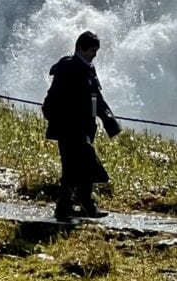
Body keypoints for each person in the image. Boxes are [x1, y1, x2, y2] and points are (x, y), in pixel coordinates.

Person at [42, 30, 122, 221]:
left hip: (85, 127)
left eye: (95, 51)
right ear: (80, 48)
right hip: (69, 128)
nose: (94, 55)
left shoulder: (88, 68)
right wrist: (60, 122)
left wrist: (109, 121)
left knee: (82, 168)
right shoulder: (68, 67)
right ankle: (68, 208)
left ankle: (81, 206)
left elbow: (96, 98)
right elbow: (54, 98)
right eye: (91, 51)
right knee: (74, 168)